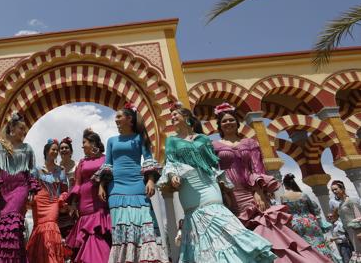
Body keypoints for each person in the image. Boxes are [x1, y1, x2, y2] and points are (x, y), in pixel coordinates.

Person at [212, 102, 335, 262]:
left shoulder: (250, 143)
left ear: (237, 122)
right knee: (240, 234)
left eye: (231, 120)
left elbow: (257, 169)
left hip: (251, 193)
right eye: (224, 121)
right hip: (230, 196)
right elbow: (214, 171)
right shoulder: (213, 146)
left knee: (264, 230)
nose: (228, 123)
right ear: (219, 126)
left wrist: (258, 192)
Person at [157, 105, 276, 262]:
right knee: (197, 221)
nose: (172, 118)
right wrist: (172, 176)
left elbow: (213, 164)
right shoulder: (172, 141)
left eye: (175, 115)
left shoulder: (203, 139)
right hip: (189, 186)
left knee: (220, 217)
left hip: (209, 183)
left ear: (186, 118)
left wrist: (223, 185)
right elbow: (171, 162)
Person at [95, 102, 168, 263]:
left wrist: (150, 180)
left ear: (130, 119)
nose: (116, 120)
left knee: (143, 225)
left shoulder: (139, 138)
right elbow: (108, 164)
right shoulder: (112, 140)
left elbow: (148, 159)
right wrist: (101, 185)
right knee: (122, 228)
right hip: (116, 189)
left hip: (137, 186)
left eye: (119, 116)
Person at [0, 112, 38, 263]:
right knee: (0, 225)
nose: (23, 132)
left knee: (12, 223)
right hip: (3, 190)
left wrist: (32, 190)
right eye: (21, 128)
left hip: (20, 189)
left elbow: (32, 171)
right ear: (12, 127)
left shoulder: (27, 148)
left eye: (24, 129)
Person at [65, 129, 112, 263]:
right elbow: (78, 184)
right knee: (87, 236)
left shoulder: (105, 158)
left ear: (93, 143)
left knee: (97, 235)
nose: (82, 146)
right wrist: (73, 203)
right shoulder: (82, 162)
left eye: (84, 142)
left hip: (100, 201)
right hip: (84, 204)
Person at [26, 139, 69, 263]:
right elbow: (31, 187)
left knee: (51, 226)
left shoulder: (61, 171)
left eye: (57, 150)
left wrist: (62, 200)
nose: (56, 152)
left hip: (52, 203)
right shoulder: (36, 170)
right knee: (38, 228)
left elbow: (65, 190)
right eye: (53, 149)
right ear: (46, 151)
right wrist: (30, 198)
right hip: (39, 202)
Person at [280, 173, 337, 261]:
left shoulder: (283, 198)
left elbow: (285, 212)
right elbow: (314, 209)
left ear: (285, 185)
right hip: (309, 221)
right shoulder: (303, 195)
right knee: (319, 244)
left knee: (304, 248)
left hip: (295, 224)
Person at [331, 180, 361, 262]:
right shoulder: (340, 204)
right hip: (349, 232)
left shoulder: (351, 200)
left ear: (342, 188)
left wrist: (359, 231)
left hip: (357, 230)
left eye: (336, 189)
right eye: (332, 190)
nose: (334, 191)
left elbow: (359, 215)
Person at [58, 136, 76, 238]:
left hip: (75, 205)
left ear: (71, 151)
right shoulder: (56, 167)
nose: (64, 150)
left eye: (66, 148)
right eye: (62, 148)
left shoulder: (77, 165)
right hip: (61, 207)